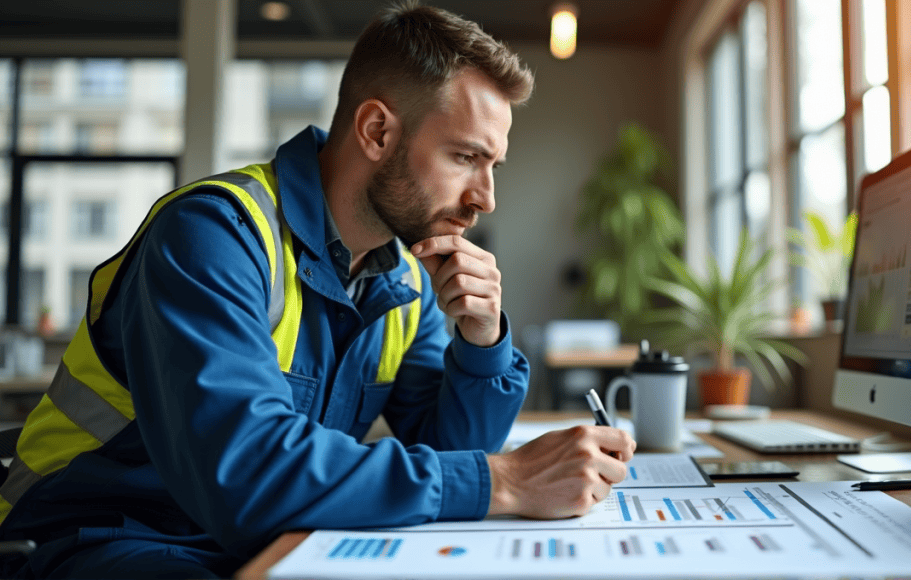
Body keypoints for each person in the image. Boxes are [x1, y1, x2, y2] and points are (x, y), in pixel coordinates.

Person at [0, 2, 636, 578]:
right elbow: (246, 475)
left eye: (491, 165)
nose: (485, 198)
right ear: (378, 132)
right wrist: (505, 480)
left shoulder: (404, 280)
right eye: (465, 158)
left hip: (262, 542)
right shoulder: (214, 234)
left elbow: (450, 456)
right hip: (93, 540)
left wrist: (481, 343)